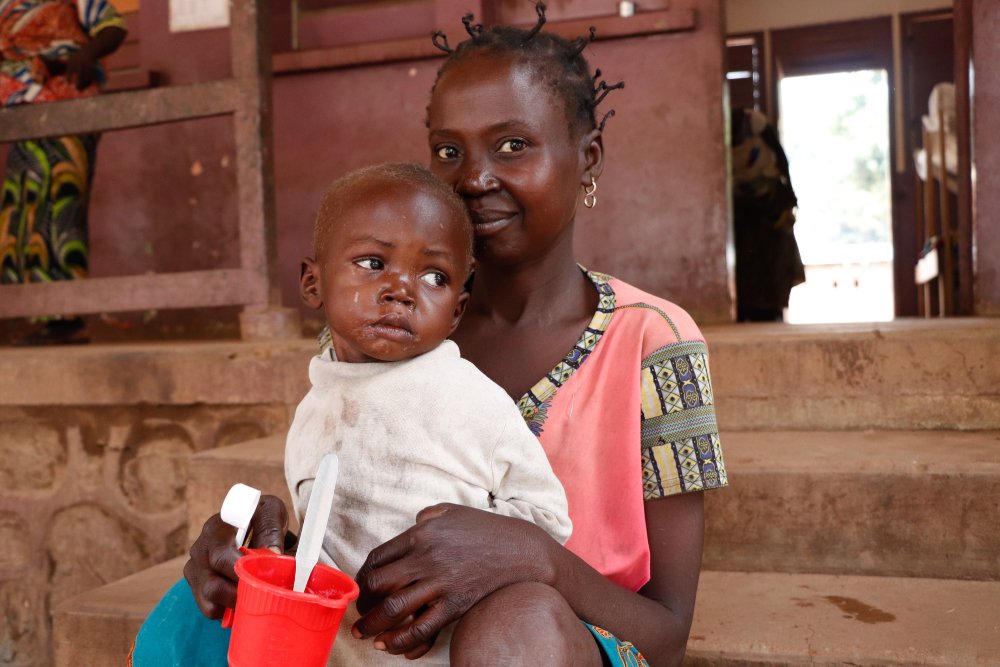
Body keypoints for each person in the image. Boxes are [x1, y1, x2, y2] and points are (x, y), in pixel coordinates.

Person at [152, 4, 729, 666]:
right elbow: (348, 511)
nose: (476, 178)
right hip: (390, 646)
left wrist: (530, 553)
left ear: (587, 157)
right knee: (197, 620)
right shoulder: (389, 325)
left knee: (516, 624)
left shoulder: (652, 342)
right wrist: (257, 545)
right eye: (449, 151)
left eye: (513, 145)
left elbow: (667, 634)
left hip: (562, 642)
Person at [132, 162, 572, 666]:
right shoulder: (314, 411)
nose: (402, 288)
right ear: (313, 283)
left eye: (434, 276)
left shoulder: (471, 400)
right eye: (371, 263)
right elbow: (326, 549)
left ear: (456, 311)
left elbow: (548, 522)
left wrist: (469, 565)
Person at [0, 0, 127, 344]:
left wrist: (85, 55)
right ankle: (36, 316)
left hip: (68, 105)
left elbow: (113, 27)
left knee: (62, 207)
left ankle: (65, 321)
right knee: (21, 215)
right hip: (21, 116)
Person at [731, 107, 805, 322]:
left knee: (776, 256)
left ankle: (773, 308)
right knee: (747, 258)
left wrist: (789, 192)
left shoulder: (755, 123)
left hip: (770, 201)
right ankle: (747, 308)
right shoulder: (718, 131)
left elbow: (781, 157)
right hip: (742, 204)